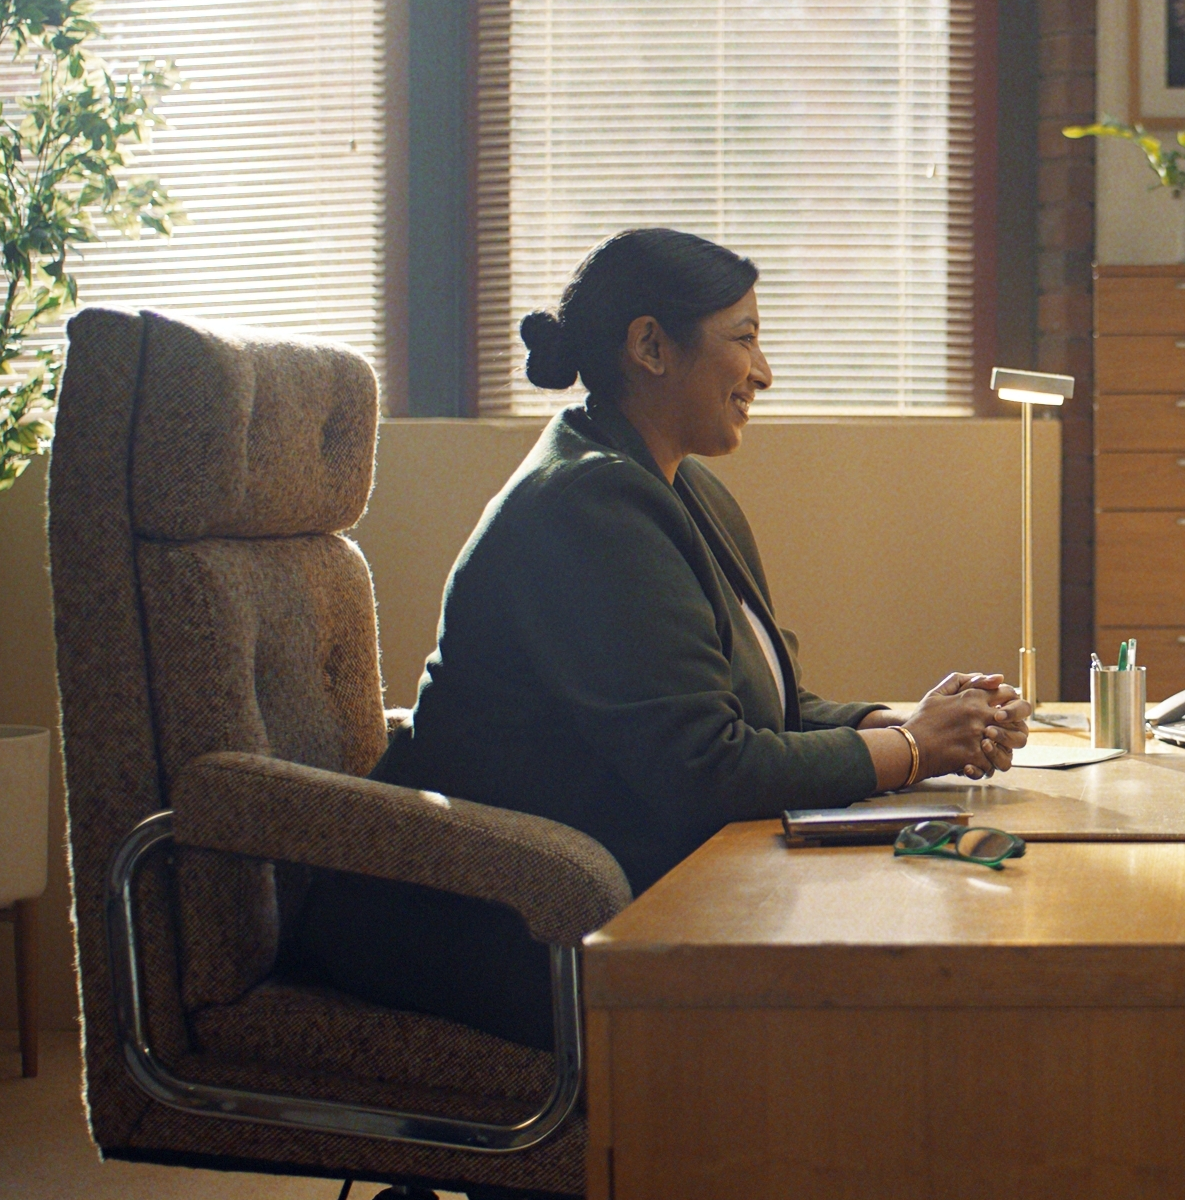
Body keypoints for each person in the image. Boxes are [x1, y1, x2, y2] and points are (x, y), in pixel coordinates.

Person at [286, 227, 1031, 1049]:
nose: (764, 371)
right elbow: (706, 765)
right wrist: (915, 751)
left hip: (597, 884)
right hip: (496, 919)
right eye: (743, 338)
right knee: (883, 997)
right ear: (650, 345)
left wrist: (917, 724)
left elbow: (761, 707)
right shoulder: (585, 506)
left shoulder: (677, 484)